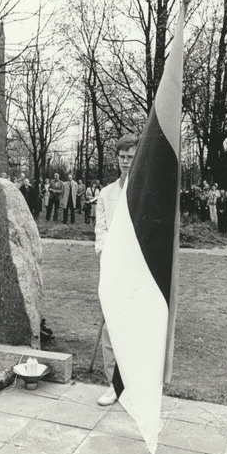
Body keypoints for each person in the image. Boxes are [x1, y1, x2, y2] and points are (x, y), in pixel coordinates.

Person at [94, 133, 139, 407]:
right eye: (122, 157)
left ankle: (134, 384)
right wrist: (110, 256)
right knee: (111, 328)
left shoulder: (146, 191)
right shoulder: (106, 193)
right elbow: (101, 231)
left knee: (134, 328)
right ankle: (113, 385)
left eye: (130, 157)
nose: (125, 162)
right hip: (113, 269)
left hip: (138, 272)